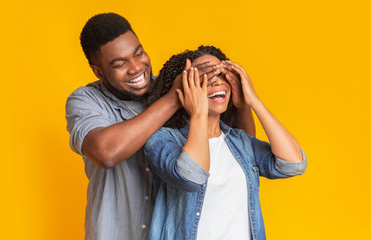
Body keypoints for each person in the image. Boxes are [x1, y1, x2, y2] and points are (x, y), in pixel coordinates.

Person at [65, 13, 255, 240]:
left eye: (139, 53)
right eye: (120, 64)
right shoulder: (86, 100)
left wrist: (243, 106)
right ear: (99, 71)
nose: (136, 68)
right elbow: (106, 152)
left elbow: (239, 153)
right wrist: (173, 99)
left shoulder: (176, 88)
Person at [143, 46, 307, 240]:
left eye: (222, 75)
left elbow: (294, 164)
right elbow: (191, 176)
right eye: (204, 78)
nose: (216, 82)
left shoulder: (240, 142)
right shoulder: (162, 139)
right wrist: (198, 113)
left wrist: (252, 100)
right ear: (184, 89)